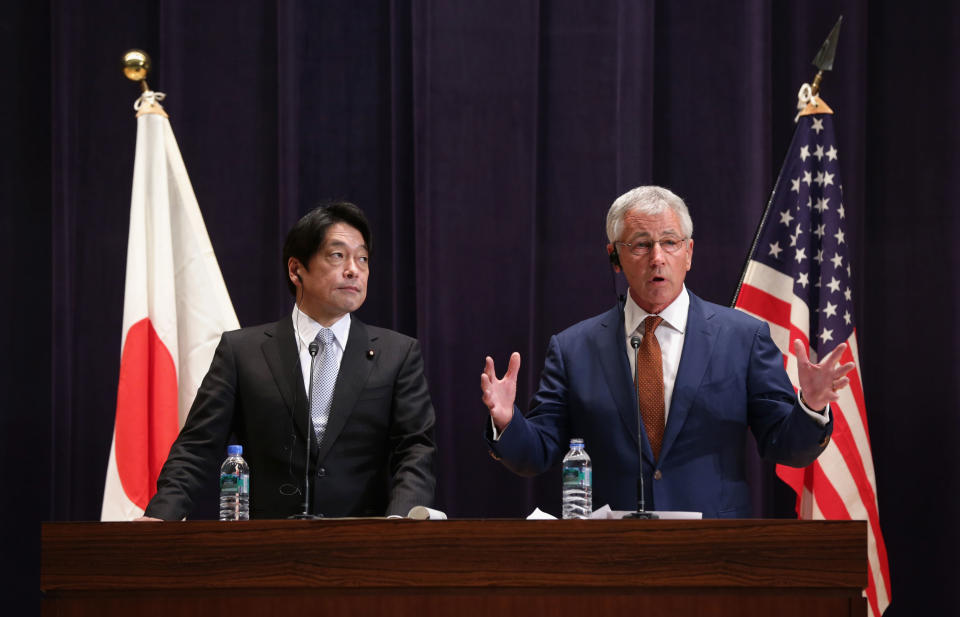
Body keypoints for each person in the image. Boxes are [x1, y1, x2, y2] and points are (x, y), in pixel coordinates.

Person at [481, 186, 853, 517]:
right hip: (610, 556)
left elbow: (785, 447)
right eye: (641, 244)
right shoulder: (573, 348)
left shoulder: (742, 338)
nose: (657, 257)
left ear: (688, 253)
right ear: (614, 257)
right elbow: (538, 452)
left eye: (670, 242)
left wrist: (811, 406)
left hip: (715, 554)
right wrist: (506, 421)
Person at [140, 201, 436, 520]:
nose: (354, 269)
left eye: (362, 258)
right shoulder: (242, 351)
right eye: (337, 255)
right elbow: (197, 448)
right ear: (296, 270)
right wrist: (160, 518)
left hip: (364, 546)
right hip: (269, 547)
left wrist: (403, 522)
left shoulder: (397, 354)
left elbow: (415, 450)